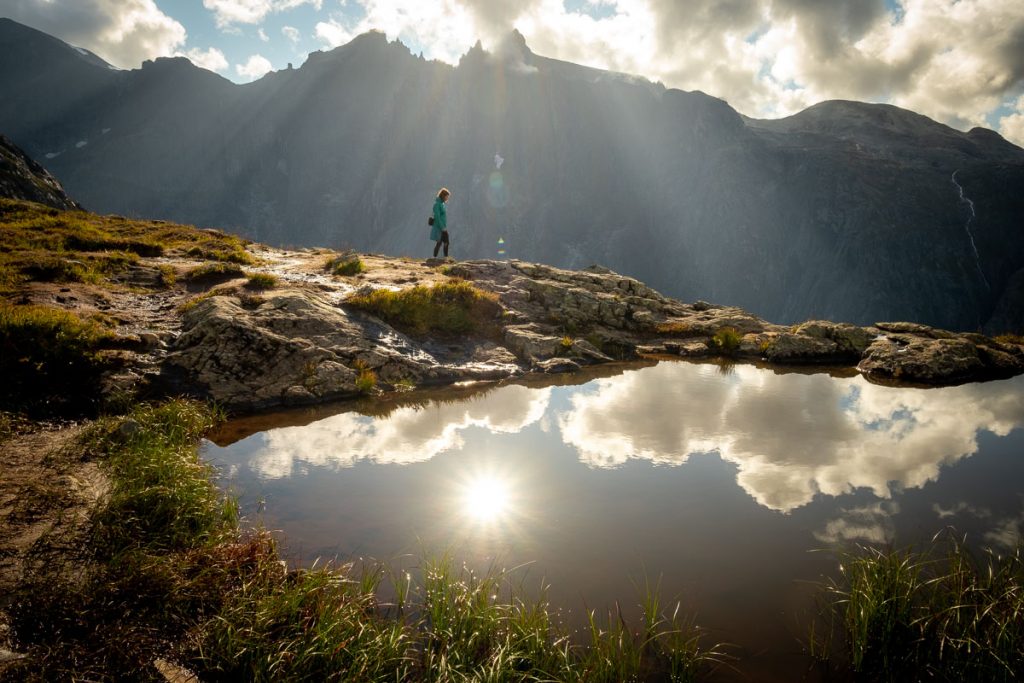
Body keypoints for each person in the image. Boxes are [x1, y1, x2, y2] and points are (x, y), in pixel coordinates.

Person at [431, 188, 450, 258]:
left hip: (442, 226)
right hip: (439, 227)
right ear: (443, 195)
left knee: (442, 242)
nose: (447, 198)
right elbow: (437, 217)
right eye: (447, 196)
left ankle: (438, 257)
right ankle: (442, 257)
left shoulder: (442, 204)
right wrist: (442, 228)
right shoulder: (437, 205)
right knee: (443, 242)